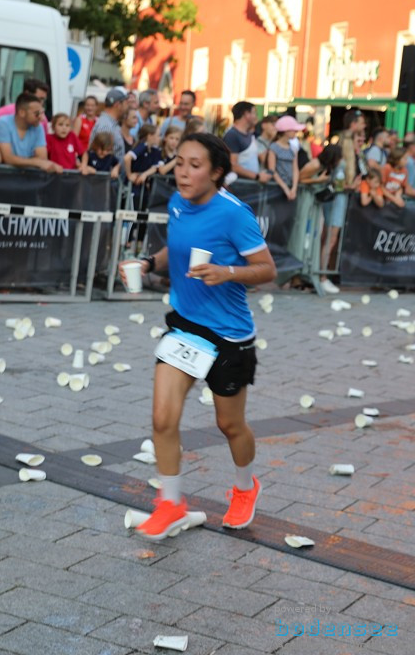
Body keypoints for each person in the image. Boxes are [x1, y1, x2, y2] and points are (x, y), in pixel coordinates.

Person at [117, 132, 277, 541]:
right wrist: (149, 262)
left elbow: (266, 269)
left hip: (230, 334)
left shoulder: (234, 214)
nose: (182, 173)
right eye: (179, 162)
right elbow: (177, 248)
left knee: (230, 425)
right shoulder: (176, 204)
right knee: (162, 418)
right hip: (186, 327)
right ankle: (171, 504)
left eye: (194, 165)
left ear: (217, 172)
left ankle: (245, 486)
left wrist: (228, 272)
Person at [0, 92, 61, 172]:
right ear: (22, 112)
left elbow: (42, 158)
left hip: (29, 179)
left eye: (42, 112)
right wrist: (36, 162)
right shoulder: (2, 123)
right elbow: (8, 158)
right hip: (5, 178)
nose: (42, 118)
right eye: (37, 113)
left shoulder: (38, 127)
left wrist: (36, 162)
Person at [224, 101, 269, 182]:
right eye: (254, 113)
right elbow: (233, 165)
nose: (256, 117)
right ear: (246, 114)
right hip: (239, 187)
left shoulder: (250, 134)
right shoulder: (232, 135)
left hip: (249, 186)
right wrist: (257, 176)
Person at [125, 124, 163, 209]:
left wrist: (145, 174)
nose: (160, 138)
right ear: (150, 136)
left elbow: (155, 167)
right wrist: (129, 175)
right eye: (158, 135)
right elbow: (127, 158)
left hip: (143, 188)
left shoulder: (154, 150)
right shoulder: (142, 146)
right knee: (132, 213)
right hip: (134, 187)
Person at [265, 115, 303, 202]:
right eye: (293, 129)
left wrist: (294, 188)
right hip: (276, 189)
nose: (296, 131)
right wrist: (285, 188)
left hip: (290, 188)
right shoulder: (273, 147)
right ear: (286, 131)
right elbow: (272, 170)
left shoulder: (294, 147)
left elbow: (295, 169)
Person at [91, 88, 128, 164]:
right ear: (118, 105)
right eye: (125, 103)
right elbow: (100, 158)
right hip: (106, 175)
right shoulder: (106, 126)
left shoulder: (112, 124)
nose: (127, 107)